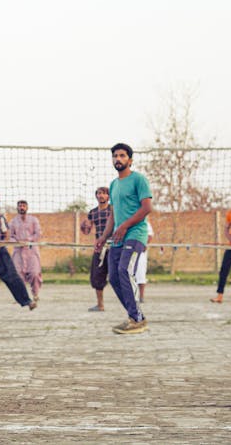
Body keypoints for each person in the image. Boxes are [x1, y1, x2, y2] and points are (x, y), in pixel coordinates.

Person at [96, 143, 152, 334]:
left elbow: (146, 208)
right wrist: (103, 237)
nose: (118, 159)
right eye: (115, 156)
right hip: (118, 237)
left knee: (125, 270)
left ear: (130, 159)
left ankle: (136, 319)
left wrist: (125, 226)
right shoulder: (113, 184)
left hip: (135, 234)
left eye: (122, 156)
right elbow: (112, 214)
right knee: (113, 277)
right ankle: (135, 316)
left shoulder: (139, 180)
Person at [83, 187, 111, 312]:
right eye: (99, 193)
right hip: (99, 248)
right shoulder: (93, 212)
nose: (101, 196)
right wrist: (84, 227)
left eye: (104, 193)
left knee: (119, 275)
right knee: (97, 276)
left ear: (108, 197)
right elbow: (86, 230)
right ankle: (100, 305)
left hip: (113, 246)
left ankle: (129, 302)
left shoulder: (113, 210)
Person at [9, 200, 42, 303]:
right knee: (18, 274)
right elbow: (9, 236)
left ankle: (35, 294)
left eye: (23, 206)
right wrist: (17, 242)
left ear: (27, 207)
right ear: (17, 208)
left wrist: (29, 240)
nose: (22, 207)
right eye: (20, 206)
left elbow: (38, 233)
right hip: (18, 251)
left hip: (31, 251)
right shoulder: (13, 222)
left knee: (35, 273)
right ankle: (20, 297)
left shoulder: (34, 220)